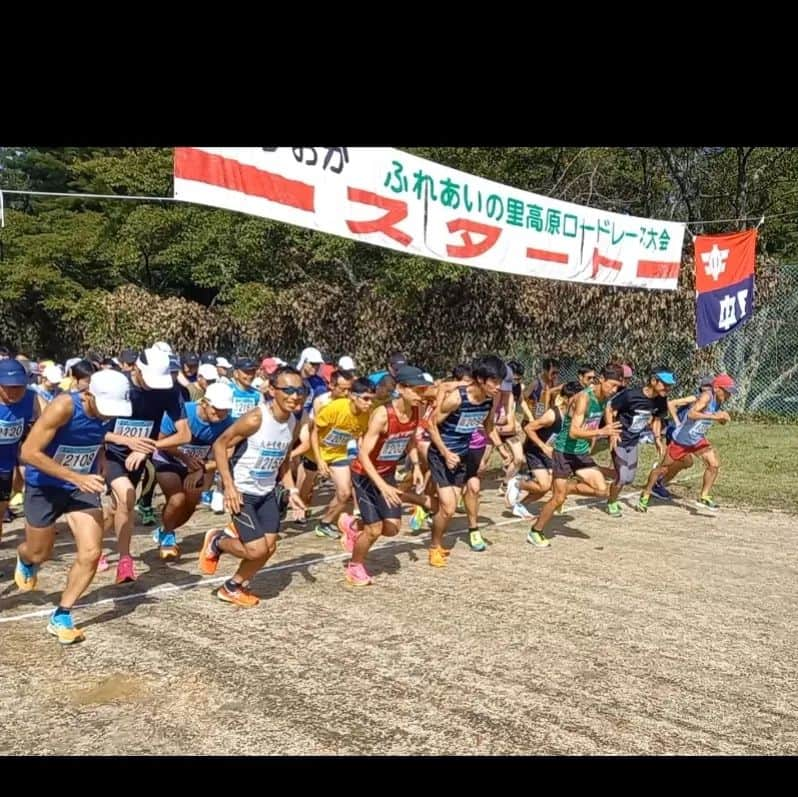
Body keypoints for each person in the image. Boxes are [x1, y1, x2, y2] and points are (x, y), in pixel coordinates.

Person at [14, 370, 132, 644]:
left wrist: (101, 462)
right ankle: (26, 559)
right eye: (105, 410)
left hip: (82, 487)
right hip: (44, 485)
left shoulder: (109, 409)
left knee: (92, 552)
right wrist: (75, 475)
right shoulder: (63, 406)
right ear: (89, 394)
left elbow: (95, 438)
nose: (107, 416)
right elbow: (29, 452)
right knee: (39, 552)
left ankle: (62, 614)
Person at [200, 365, 306, 607]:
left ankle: (232, 587)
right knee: (257, 550)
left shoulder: (292, 421)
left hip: (266, 492)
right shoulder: (256, 418)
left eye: (300, 390)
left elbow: (284, 460)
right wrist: (228, 486)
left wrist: (292, 491)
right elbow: (219, 445)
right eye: (287, 390)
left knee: (269, 547)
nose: (294, 395)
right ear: (271, 389)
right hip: (242, 492)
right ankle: (217, 541)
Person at [338, 366, 436, 586]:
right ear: (401, 388)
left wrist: (417, 466)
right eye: (417, 390)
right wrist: (381, 486)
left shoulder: (415, 410)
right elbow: (363, 455)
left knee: (391, 529)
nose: (422, 395)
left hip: (387, 473)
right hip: (364, 474)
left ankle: (354, 527)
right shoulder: (382, 415)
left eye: (423, 390)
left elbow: (409, 438)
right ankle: (355, 567)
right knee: (375, 530)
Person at [526, 365, 624, 548]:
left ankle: (569, 488)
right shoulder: (584, 398)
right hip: (563, 452)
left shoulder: (605, 398)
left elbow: (602, 416)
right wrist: (601, 431)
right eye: (612, 384)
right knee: (557, 499)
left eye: (618, 386)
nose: (615, 389)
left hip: (580, 453)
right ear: (601, 379)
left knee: (601, 490)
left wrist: (610, 432)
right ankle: (535, 531)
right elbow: (573, 432)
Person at [427, 355, 505, 563]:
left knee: (448, 508)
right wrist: (445, 452)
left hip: (462, 454)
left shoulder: (490, 400)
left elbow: (489, 426)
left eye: (500, 382)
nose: (498, 387)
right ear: (480, 379)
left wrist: (503, 450)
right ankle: (435, 546)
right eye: (494, 382)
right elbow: (431, 424)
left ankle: (429, 511)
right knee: (450, 507)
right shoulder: (457, 398)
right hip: (440, 455)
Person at [637, 374, 736, 513]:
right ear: (717, 388)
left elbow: (710, 419)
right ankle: (646, 493)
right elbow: (691, 414)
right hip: (682, 440)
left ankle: (704, 496)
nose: (729, 396)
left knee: (714, 465)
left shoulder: (719, 401)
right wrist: (714, 417)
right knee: (662, 468)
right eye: (727, 392)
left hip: (697, 439)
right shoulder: (707, 397)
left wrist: (722, 419)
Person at [605, 368, 674, 517]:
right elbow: (610, 408)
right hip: (620, 438)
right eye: (665, 384)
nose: (668, 388)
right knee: (622, 477)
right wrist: (611, 432)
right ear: (653, 381)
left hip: (633, 441)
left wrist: (657, 439)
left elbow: (656, 419)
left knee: (629, 478)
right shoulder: (631, 395)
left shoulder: (661, 400)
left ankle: (597, 470)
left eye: (670, 385)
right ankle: (611, 501)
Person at [0, 359, 38, 540]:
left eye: (19, 386)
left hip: (6, 466)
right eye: (8, 387)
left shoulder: (31, 398)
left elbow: (50, 420)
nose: (15, 392)